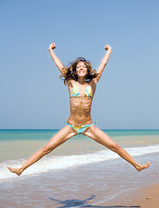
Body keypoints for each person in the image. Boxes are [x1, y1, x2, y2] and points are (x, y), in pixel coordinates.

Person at [8, 43, 151, 176]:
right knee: (47, 149)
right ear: (75, 71)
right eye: (78, 67)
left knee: (115, 146)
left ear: (88, 69)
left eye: (84, 66)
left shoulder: (93, 83)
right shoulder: (71, 83)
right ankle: (21, 169)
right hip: (71, 126)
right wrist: (50, 50)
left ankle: (137, 166)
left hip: (89, 126)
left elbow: (103, 64)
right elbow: (59, 65)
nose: (81, 68)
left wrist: (109, 50)